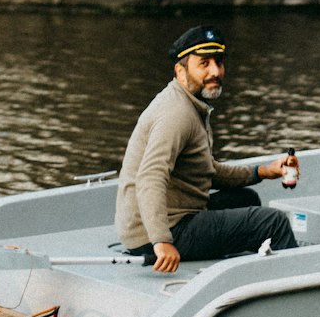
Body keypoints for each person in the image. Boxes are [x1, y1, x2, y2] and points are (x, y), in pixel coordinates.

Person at [115, 25, 300, 272]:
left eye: (219, 62)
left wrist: (263, 171)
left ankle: (241, 273)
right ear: (181, 71)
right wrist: (162, 241)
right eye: (204, 63)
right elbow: (150, 177)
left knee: (246, 199)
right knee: (273, 223)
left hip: (171, 220)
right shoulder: (177, 114)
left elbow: (206, 170)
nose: (216, 71)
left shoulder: (188, 104)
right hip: (156, 236)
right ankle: (295, 285)